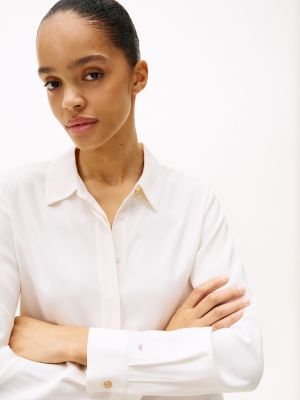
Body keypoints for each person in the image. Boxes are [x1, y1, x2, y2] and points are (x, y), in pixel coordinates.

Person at [0, 0, 263, 399]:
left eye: (91, 74)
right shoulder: (14, 200)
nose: (69, 99)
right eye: (53, 83)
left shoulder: (194, 203)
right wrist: (168, 348)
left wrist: (74, 343)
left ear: (137, 76)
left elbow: (242, 361)